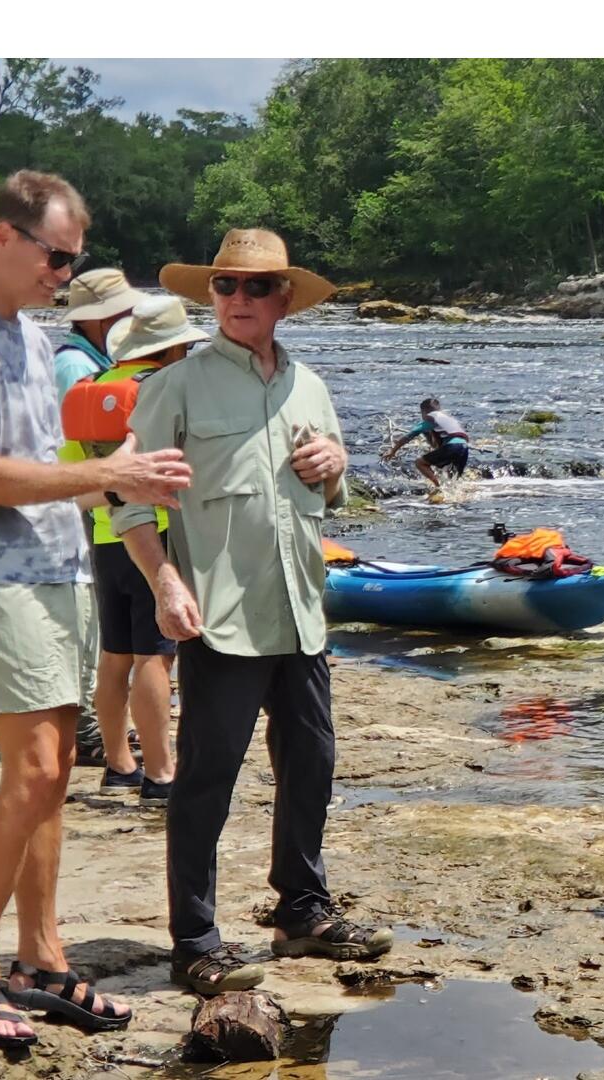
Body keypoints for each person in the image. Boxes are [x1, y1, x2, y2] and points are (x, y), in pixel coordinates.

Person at [0, 170, 190, 1049]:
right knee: (30, 773)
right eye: (56, 257)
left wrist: (118, 458)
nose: (64, 274)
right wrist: (108, 474)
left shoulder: (24, 332)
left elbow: (46, 454)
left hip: (54, 570)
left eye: (74, 261)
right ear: (4, 237)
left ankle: (42, 961)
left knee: (57, 771)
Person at [116, 228, 394, 998]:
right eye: (225, 286)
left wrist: (340, 467)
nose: (239, 299)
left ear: (284, 300)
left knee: (312, 766)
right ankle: (195, 943)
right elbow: (130, 511)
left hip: (302, 613)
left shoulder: (310, 384)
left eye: (256, 287)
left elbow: (332, 488)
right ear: (210, 295)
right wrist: (167, 585)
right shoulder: (175, 386)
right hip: (221, 619)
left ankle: (301, 911)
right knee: (206, 781)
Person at [59, 297, 208, 806]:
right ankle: (161, 773)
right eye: (185, 347)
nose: (188, 354)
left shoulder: (90, 388)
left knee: (115, 654)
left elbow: (74, 468)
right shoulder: (161, 391)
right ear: (169, 351)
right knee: (156, 657)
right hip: (155, 534)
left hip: (103, 533)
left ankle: (120, 764)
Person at [49, 268, 147, 402]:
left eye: (131, 310)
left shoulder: (101, 357)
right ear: (88, 319)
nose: (130, 316)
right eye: (121, 310)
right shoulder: (74, 365)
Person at [382, 397, 470, 492]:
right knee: (452, 476)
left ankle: (438, 488)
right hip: (464, 447)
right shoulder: (447, 419)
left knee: (420, 463)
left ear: (424, 412)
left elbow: (408, 437)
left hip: (452, 447)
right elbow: (439, 444)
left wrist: (393, 451)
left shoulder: (430, 420)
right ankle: (453, 494)